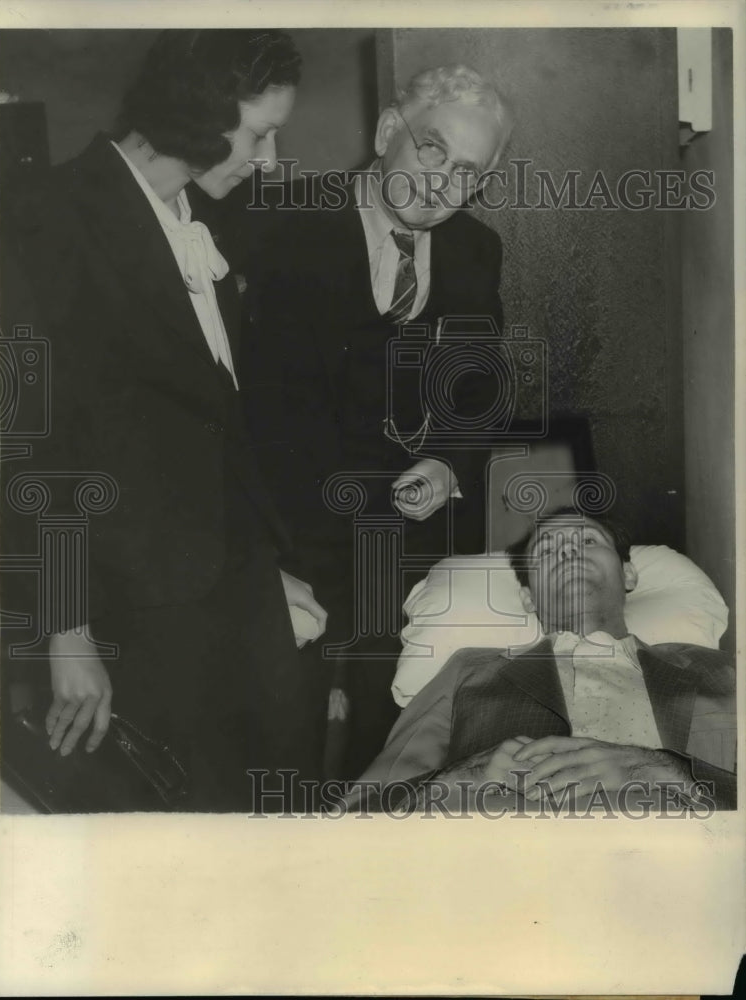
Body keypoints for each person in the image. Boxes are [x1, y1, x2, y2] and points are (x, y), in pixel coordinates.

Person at [0, 29, 329, 811]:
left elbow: (213, 417)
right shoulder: (51, 215)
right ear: (197, 113)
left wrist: (260, 557)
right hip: (130, 602)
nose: (269, 159)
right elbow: (38, 443)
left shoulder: (192, 218)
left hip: (228, 585)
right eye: (258, 133)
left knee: (272, 807)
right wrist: (69, 629)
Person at [239, 65, 513, 777]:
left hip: (412, 549)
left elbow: (478, 387)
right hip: (285, 540)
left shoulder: (475, 250)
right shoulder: (272, 221)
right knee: (279, 744)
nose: (442, 183)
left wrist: (446, 463)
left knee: (397, 747)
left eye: (466, 172)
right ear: (388, 131)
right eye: (430, 149)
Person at [345, 507, 736, 812]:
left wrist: (667, 770)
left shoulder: (719, 671)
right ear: (529, 598)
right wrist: (462, 777)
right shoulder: (467, 669)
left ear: (630, 575)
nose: (567, 551)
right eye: (547, 550)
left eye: (587, 542)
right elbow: (366, 804)